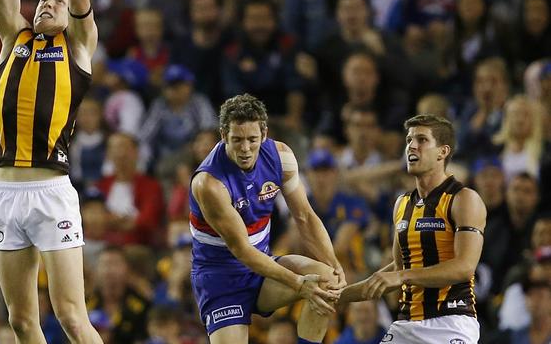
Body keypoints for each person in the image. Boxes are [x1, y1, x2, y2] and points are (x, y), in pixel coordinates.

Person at [0, 0, 102, 343]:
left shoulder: (76, 44)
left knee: (73, 318)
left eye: (54, 2)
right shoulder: (13, 38)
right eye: (42, 0)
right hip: (4, 190)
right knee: (20, 320)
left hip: (51, 189)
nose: (46, 4)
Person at [189, 93, 346, 343]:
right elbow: (242, 250)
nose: (245, 148)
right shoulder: (209, 183)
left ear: (264, 134)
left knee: (326, 280)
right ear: (223, 136)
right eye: (237, 140)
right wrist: (297, 282)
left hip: (263, 267)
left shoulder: (281, 156)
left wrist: (334, 263)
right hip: (221, 279)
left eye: (252, 139)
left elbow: (305, 216)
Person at [337, 114, 487, 343]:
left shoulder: (464, 199)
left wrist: (402, 276)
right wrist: (338, 296)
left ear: (442, 152)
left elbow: (464, 267)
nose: (412, 146)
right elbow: (397, 268)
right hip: (406, 324)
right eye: (409, 140)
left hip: (450, 322)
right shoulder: (402, 203)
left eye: (422, 140)